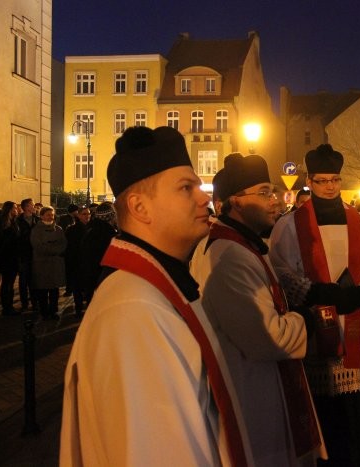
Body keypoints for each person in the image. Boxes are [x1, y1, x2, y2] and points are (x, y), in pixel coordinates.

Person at [60, 126, 252, 465]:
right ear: (140, 207)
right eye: (186, 187)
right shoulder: (133, 310)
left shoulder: (154, 289)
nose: (204, 198)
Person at [190, 153, 325, 466]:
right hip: (249, 394)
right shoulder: (229, 256)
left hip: (259, 387)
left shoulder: (242, 245)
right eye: (264, 192)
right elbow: (268, 337)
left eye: (272, 191)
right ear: (235, 202)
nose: (274, 200)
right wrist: (307, 318)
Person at [269, 144, 360, 466]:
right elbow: (280, 270)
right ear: (310, 181)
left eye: (335, 180)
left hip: (353, 324)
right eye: (322, 181)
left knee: (355, 417)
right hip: (315, 325)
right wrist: (317, 292)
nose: (330, 186)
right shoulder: (290, 225)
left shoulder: (359, 221)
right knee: (324, 415)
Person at [30, 206, 67, 320]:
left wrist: (55, 249)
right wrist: (53, 250)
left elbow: (63, 243)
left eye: (52, 214)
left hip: (55, 263)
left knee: (54, 289)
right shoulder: (36, 230)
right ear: (41, 216)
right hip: (42, 263)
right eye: (48, 215)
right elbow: (37, 245)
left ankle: (53, 310)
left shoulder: (59, 229)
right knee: (43, 289)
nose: (51, 217)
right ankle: (44, 312)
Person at [78, 202, 117, 304]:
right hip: (104, 280)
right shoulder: (109, 235)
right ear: (111, 217)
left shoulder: (90, 230)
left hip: (91, 279)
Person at [64, 206, 91, 317]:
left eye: (88, 214)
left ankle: (88, 308)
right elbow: (69, 248)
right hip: (76, 262)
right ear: (79, 215)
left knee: (88, 288)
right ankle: (78, 308)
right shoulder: (72, 230)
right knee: (77, 288)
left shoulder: (92, 228)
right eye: (84, 214)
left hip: (88, 263)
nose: (87, 216)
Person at [15, 198, 39, 311]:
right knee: (23, 280)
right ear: (26, 207)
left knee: (34, 280)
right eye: (32, 205)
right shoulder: (18, 220)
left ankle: (35, 302)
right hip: (23, 254)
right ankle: (24, 303)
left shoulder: (37, 219)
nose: (34, 207)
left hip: (35, 254)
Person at [0, 201, 21, 315]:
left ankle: (9, 306)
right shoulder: (2, 223)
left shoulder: (13, 221)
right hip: (6, 257)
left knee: (10, 283)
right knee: (7, 283)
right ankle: (6, 307)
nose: (17, 210)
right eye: (15, 208)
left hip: (13, 257)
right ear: (9, 209)